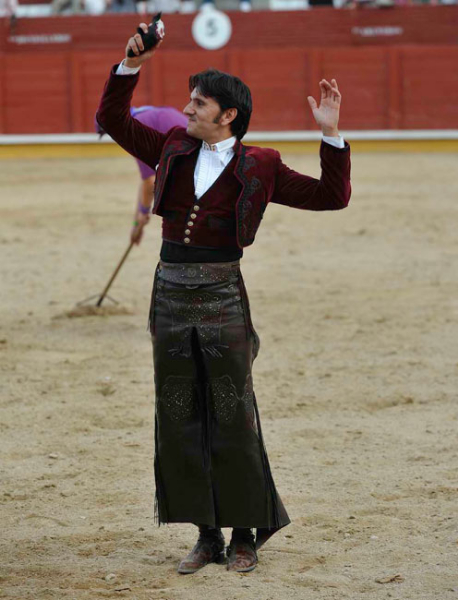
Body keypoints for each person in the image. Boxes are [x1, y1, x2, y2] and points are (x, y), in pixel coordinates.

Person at [96, 22, 351, 575]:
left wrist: (331, 136)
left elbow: (331, 197)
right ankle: (206, 535)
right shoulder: (172, 146)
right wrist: (131, 64)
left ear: (228, 114)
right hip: (170, 294)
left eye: (198, 102)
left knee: (233, 414)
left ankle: (244, 535)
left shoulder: (261, 163)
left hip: (222, 295)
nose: (187, 109)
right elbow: (112, 119)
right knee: (178, 414)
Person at [96, 106, 187, 245]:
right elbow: (146, 182)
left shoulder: (136, 128)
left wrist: (143, 213)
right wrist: (137, 222)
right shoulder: (144, 117)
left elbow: (150, 182)